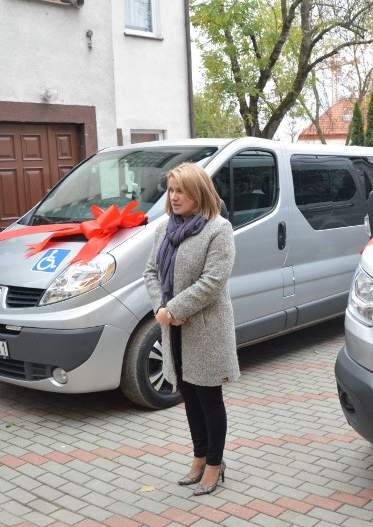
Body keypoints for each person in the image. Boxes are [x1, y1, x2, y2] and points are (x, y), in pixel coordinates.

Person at [143, 162, 240, 496]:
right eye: (171, 190)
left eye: (181, 190)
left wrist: (175, 309)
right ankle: (199, 457)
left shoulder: (218, 229)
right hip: (174, 330)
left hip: (206, 331)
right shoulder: (164, 229)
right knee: (189, 397)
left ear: (198, 192)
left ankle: (215, 463)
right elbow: (151, 273)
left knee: (209, 398)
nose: (174, 197)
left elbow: (213, 281)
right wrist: (162, 308)